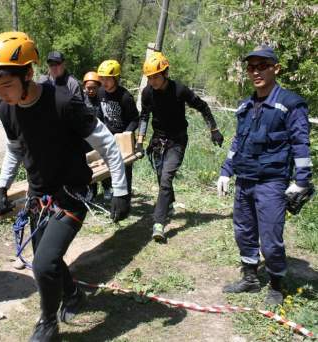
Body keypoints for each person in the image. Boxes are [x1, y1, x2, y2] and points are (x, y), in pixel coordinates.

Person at [0, 32, 130, 342]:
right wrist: (1, 188)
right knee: (50, 261)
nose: (1, 94)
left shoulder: (63, 102)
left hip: (71, 195)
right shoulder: (6, 110)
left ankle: (47, 323)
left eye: (6, 85)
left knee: (44, 263)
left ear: (28, 73)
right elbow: (14, 149)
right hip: (39, 197)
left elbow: (106, 142)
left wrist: (120, 190)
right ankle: (73, 294)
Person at [217, 45, 313, 305]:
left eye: (262, 66)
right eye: (251, 67)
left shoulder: (291, 104)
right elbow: (238, 141)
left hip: (272, 183)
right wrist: (226, 171)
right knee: (244, 232)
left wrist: (301, 181)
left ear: (276, 68)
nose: (256, 72)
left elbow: (301, 145)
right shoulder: (245, 105)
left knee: (270, 238)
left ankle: (276, 286)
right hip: (245, 181)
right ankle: (249, 278)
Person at [137, 52, 224, 242]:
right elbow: (144, 116)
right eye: (149, 77)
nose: (152, 81)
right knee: (162, 178)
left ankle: (158, 224)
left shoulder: (179, 90)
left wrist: (214, 129)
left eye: (156, 76)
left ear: (165, 73)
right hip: (158, 141)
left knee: (166, 178)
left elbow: (203, 106)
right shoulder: (147, 93)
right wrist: (139, 142)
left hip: (177, 140)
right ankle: (169, 203)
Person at [97, 59, 140, 200]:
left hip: (124, 137)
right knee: (107, 166)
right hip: (108, 135)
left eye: (107, 79)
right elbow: (100, 114)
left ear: (115, 78)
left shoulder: (125, 97)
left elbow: (135, 119)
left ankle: (125, 198)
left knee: (125, 169)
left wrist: (127, 133)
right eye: (102, 79)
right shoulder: (101, 92)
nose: (104, 82)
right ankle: (111, 192)